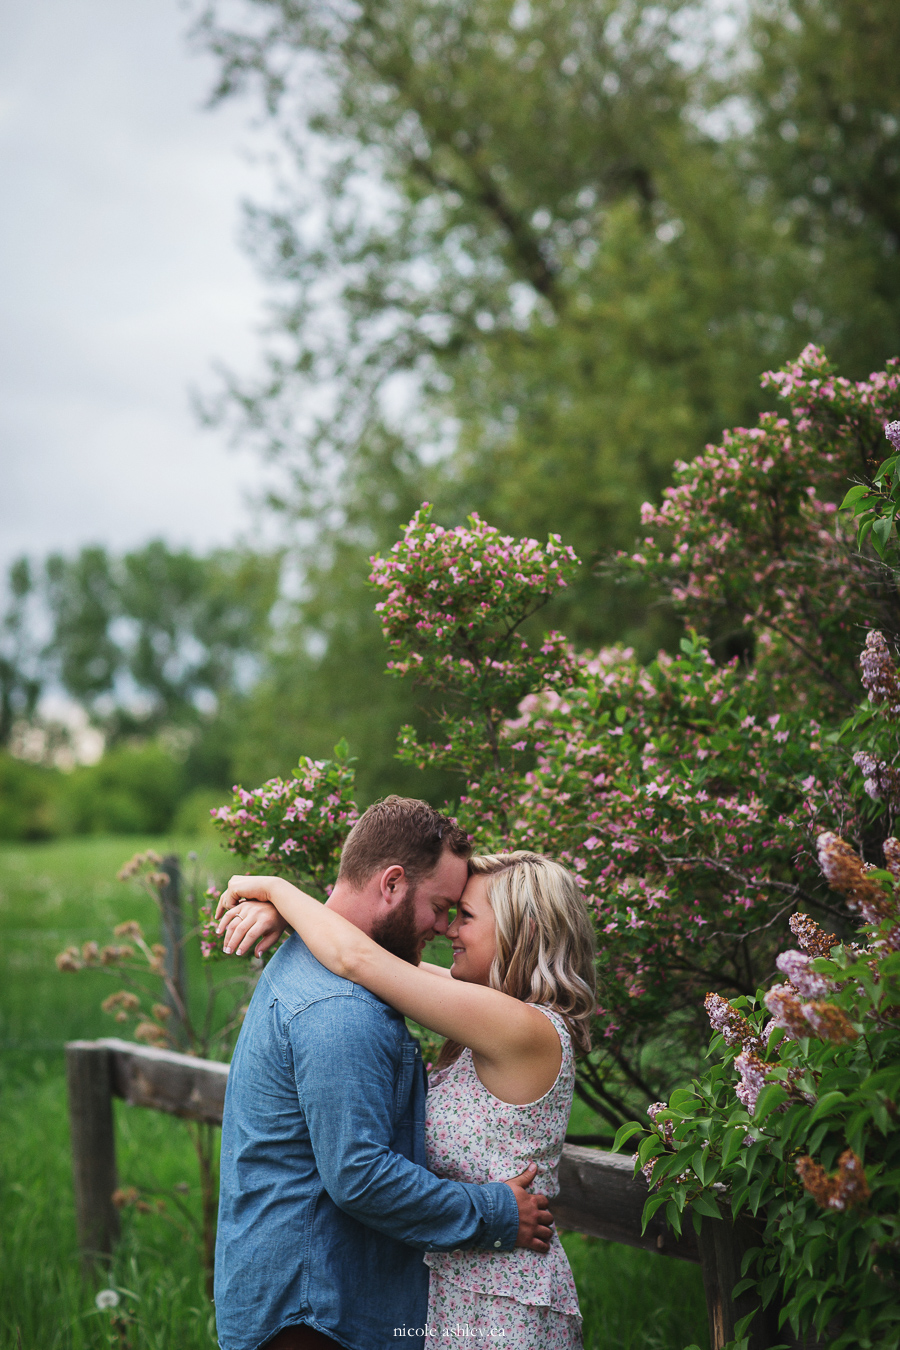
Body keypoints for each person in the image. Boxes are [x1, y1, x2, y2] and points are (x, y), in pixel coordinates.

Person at [219, 842, 596, 1350]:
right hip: (454, 1283)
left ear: (521, 929)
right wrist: (292, 918)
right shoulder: (489, 1015)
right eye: (448, 913)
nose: (448, 930)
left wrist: (277, 891)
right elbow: (367, 955)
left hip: (501, 1299)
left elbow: (359, 959)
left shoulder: (524, 1029)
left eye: (464, 916)